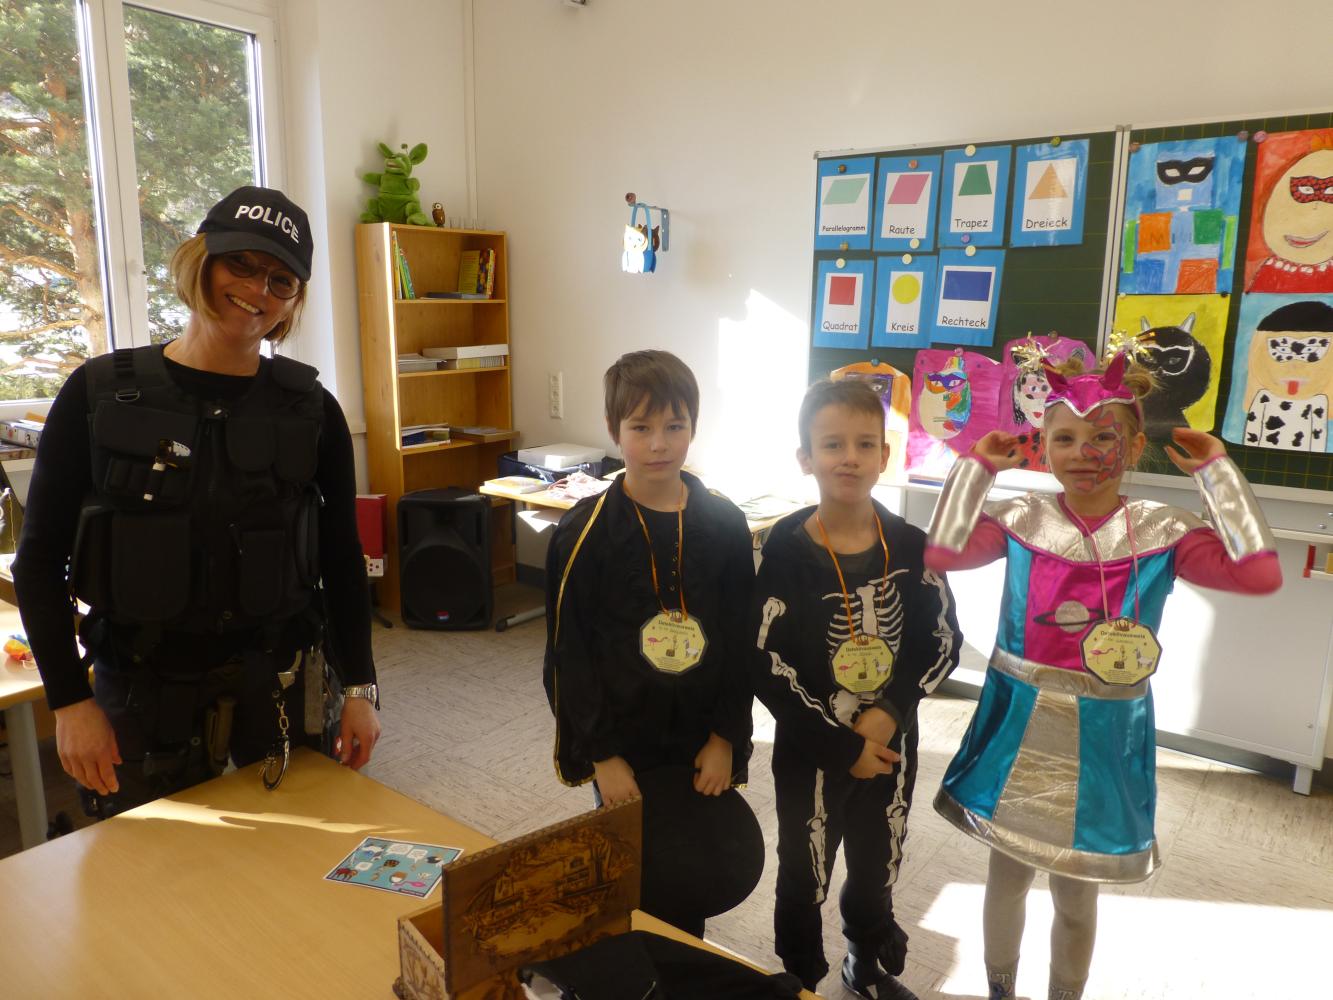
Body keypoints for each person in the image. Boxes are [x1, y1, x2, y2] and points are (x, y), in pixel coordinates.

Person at [13, 185, 381, 818]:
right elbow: (38, 562)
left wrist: (360, 687)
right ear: (200, 261)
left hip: (278, 682)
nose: (258, 288)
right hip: (141, 688)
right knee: (146, 865)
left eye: (281, 279)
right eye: (240, 263)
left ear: (293, 300)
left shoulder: (313, 410)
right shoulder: (97, 396)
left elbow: (342, 559)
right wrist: (70, 702)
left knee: (294, 851)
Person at [925, 352, 1282, 1000]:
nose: (1083, 453)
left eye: (1102, 437)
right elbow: (942, 552)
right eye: (1064, 438)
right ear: (1043, 447)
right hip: (1019, 728)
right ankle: (1000, 990)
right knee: (1006, 879)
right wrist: (976, 466)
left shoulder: (1162, 532)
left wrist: (1218, 473)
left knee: (1075, 894)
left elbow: (1259, 574)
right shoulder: (1023, 520)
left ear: (1134, 446)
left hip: (1102, 737)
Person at [752, 378, 961, 999]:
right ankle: (800, 978)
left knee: (879, 860)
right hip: (812, 747)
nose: (849, 457)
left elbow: (942, 642)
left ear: (884, 457)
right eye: (832, 444)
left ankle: (864, 960)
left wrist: (891, 711)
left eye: (865, 444)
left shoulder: (913, 547)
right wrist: (840, 746)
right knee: (805, 868)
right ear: (805, 458)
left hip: (891, 742)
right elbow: (762, 660)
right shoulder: (776, 551)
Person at [542, 349, 758, 938]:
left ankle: (682, 963)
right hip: (622, 741)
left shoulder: (725, 525)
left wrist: (725, 737)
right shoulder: (584, 532)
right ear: (614, 430)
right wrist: (602, 757)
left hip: (699, 737)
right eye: (640, 428)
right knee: (630, 872)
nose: (659, 444)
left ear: (694, 427)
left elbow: (741, 643)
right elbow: (569, 656)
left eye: (674, 426)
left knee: (689, 874)